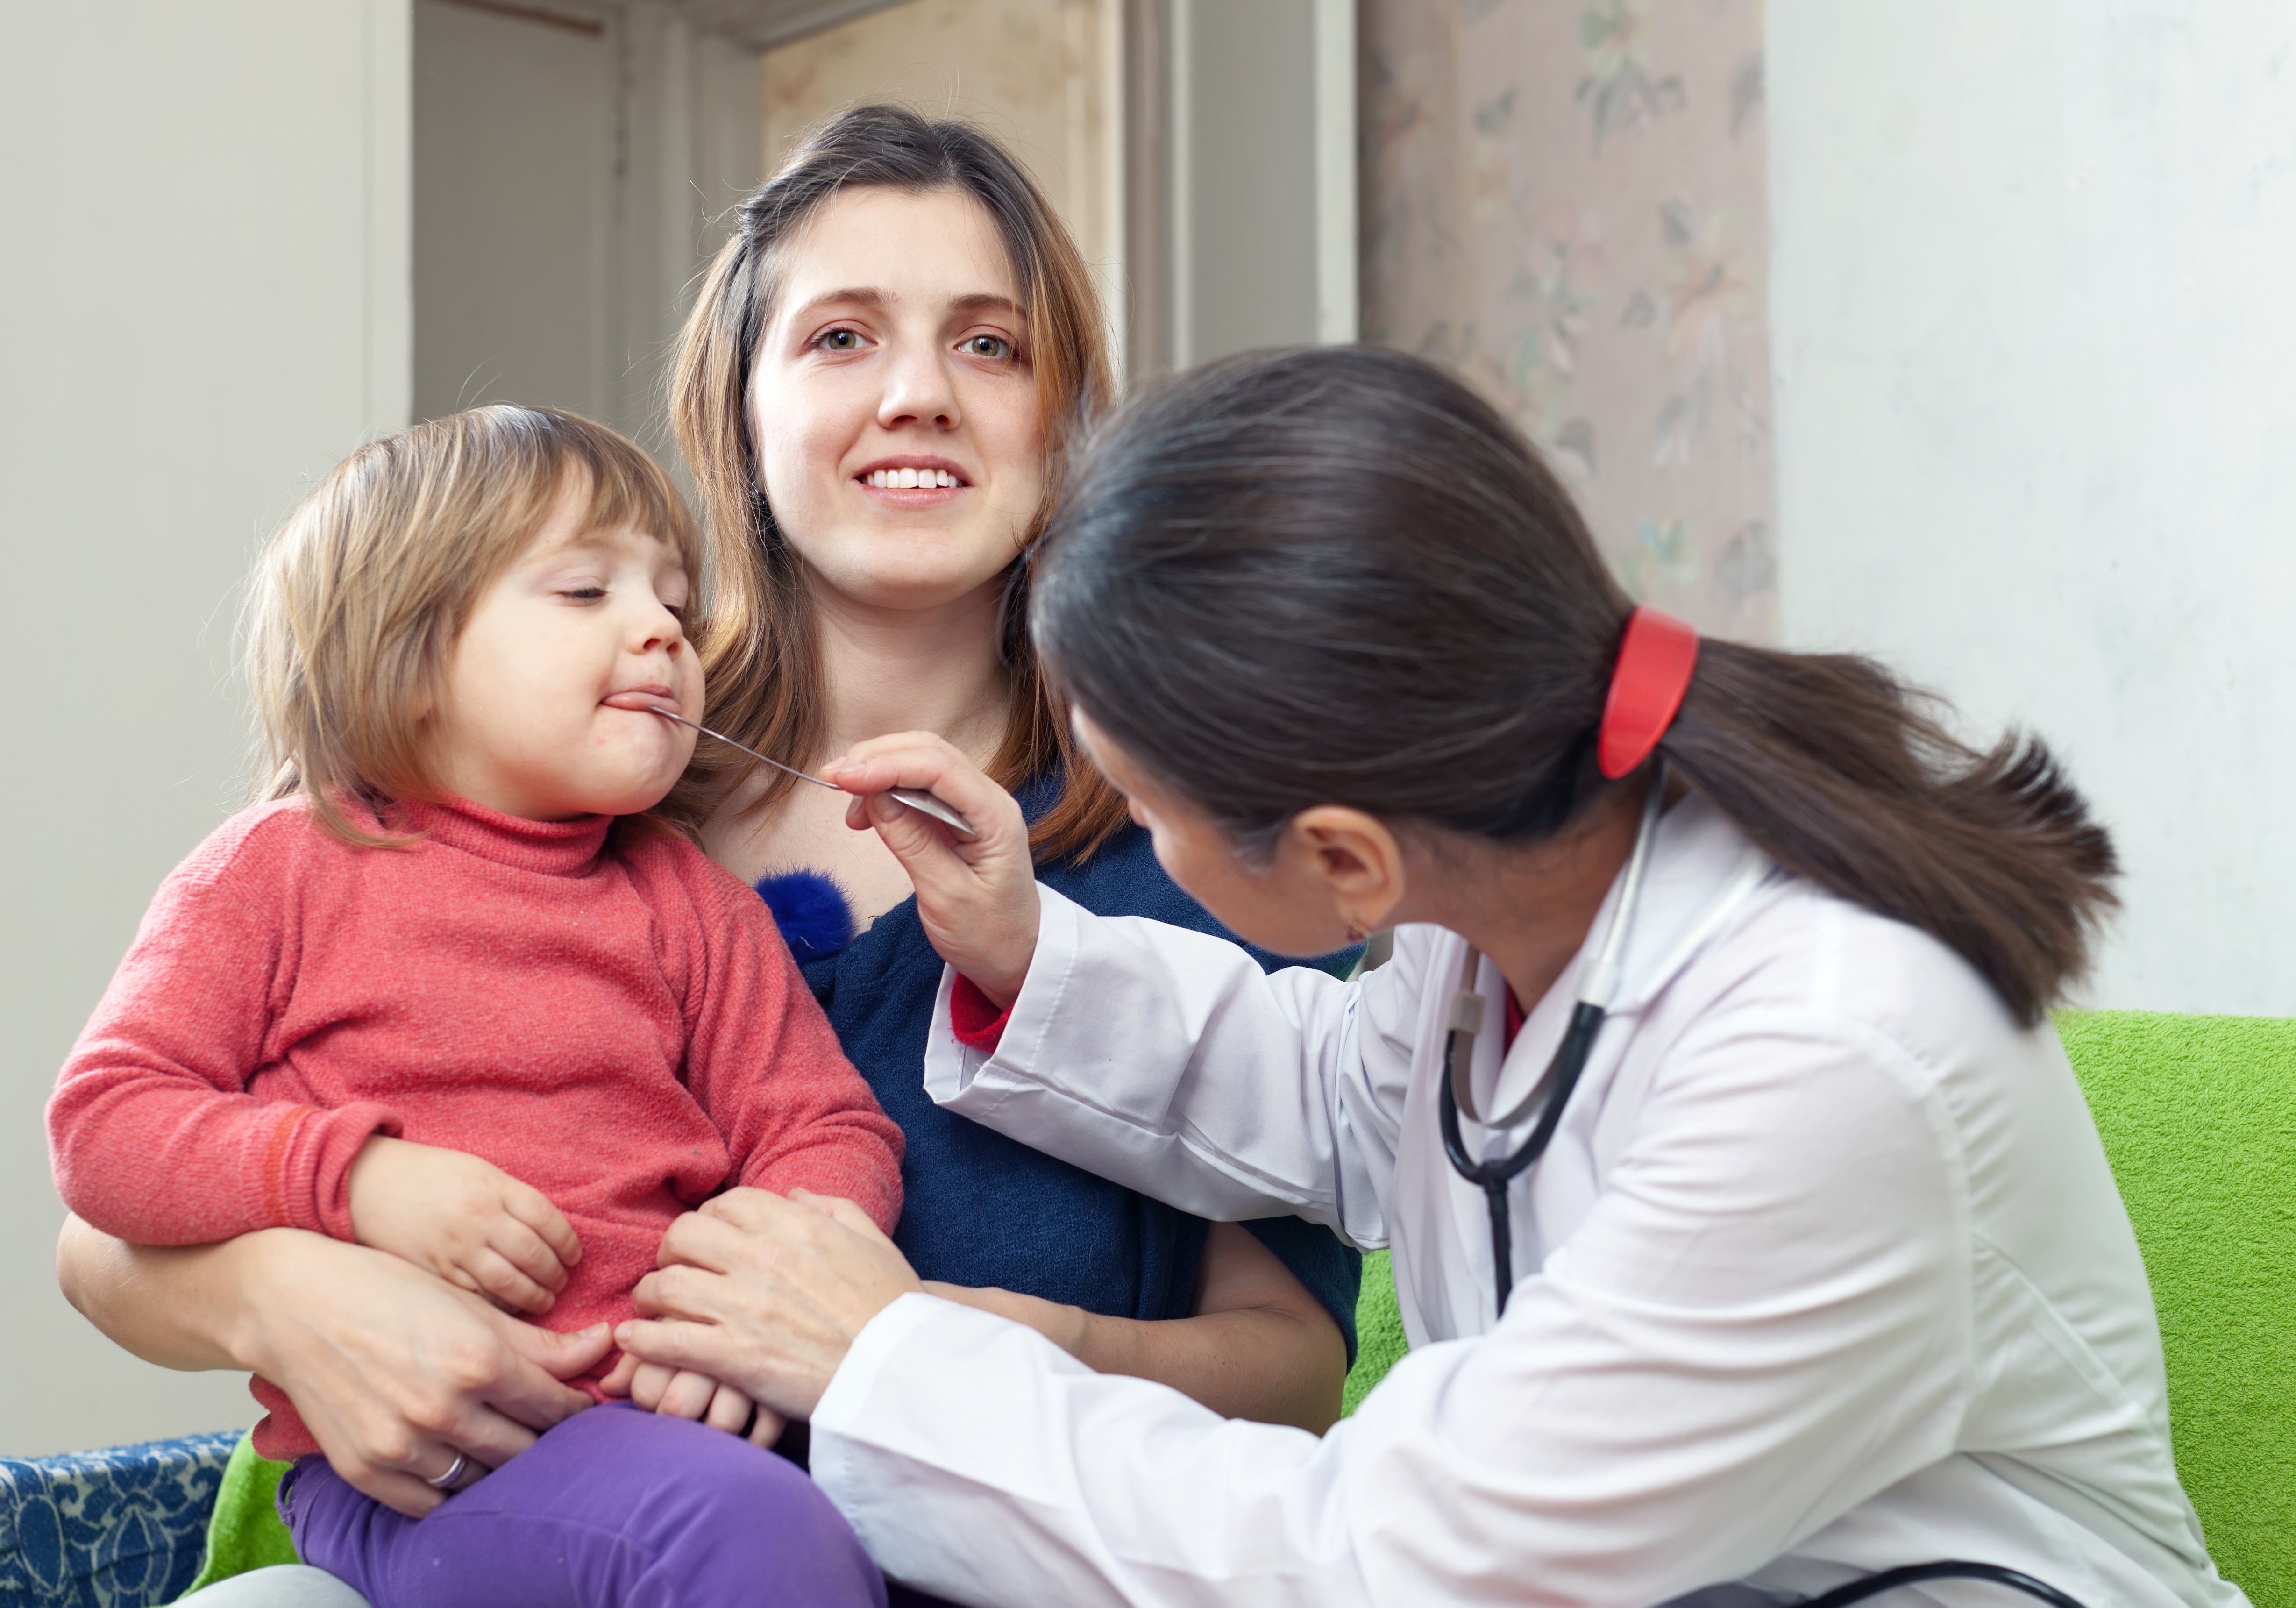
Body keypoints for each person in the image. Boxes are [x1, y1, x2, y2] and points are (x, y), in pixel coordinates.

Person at [604, 345, 2253, 1608]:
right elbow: (1349, 1088)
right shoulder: (1522, 877)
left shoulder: (1824, 1054)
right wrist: (1025, 945)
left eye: (1148, 807)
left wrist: (888, 1361)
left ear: (1340, 863)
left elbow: (1379, 1561)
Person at [52, 106, 1358, 1598]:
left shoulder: (1204, 841)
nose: (919, 394)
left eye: (989, 345)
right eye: (842, 339)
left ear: (1065, 418)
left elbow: (1293, 1377)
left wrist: (913, 1341)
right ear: (735, 410)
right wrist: (286, 1294)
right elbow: (105, 1223)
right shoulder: (548, 768)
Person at [47, 405, 903, 1606]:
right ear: (408, 663)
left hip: (683, 1442)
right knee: (752, 1534)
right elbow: (105, 1127)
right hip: (414, 1478)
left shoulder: (692, 905)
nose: (662, 626)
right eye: (584, 591)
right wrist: (353, 1180)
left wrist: (749, 1305)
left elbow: (826, 1129)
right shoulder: (278, 868)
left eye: (671, 594)